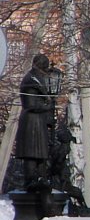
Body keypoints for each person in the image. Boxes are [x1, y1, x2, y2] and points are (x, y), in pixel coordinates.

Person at [15, 54, 57, 188]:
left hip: (38, 121)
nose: (47, 68)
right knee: (32, 153)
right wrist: (48, 106)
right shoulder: (31, 79)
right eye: (45, 65)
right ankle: (31, 180)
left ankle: (40, 179)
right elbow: (31, 105)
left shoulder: (37, 78)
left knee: (40, 155)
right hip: (31, 122)